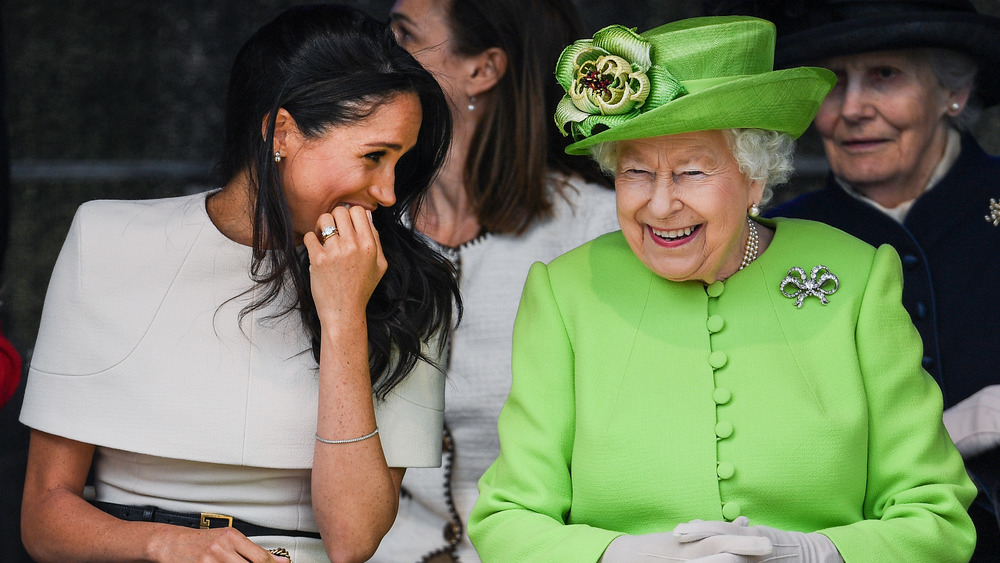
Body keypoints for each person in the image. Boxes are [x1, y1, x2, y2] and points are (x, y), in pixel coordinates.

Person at [468, 16, 978, 562]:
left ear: (754, 177)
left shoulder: (856, 277)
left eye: (691, 173)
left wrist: (816, 554)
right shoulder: (565, 291)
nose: (660, 206)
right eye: (636, 172)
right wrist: (625, 557)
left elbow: (937, 516)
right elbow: (508, 519)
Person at [19, 5, 459, 563]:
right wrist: (170, 546)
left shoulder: (409, 285)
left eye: (400, 161)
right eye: (373, 156)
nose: (390, 193)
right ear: (281, 132)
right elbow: (43, 516)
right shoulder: (106, 239)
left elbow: (353, 540)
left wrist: (345, 316)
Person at [707, 0, 1000, 558]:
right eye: (834, 82)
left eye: (885, 76)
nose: (854, 108)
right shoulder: (770, 238)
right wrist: (962, 425)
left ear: (952, 92)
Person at [372, 1, 618, 561]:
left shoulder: (596, 230)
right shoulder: (369, 220)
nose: (377, 47)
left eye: (403, 33)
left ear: (482, 69)